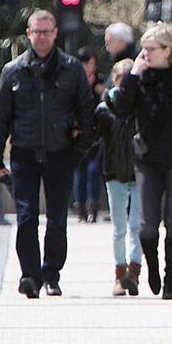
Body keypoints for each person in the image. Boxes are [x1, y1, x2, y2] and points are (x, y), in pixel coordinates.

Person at [0, 10, 95, 299]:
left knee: (58, 220)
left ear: (56, 33)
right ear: (29, 33)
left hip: (61, 153)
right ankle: (30, 276)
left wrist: (80, 149)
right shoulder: (13, 70)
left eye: (48, 31)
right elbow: (1, 117)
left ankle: (51, 274)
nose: (42, 37)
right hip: (24, 153)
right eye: (38, 31)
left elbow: (87, 112)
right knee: (26, 218)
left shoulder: (71, 69)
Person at [113, 24, 172, 300]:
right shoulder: (139, 77)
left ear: (167, 51)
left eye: (151, 49)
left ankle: (170, 281)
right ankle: (152, 268)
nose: (145, 54)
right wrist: (133, 74)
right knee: (147, 224)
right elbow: (121, 107)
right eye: (143, 49)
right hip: (146, 157)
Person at [95, 59, 142, 296]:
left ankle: (133, 274)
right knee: (119, 228)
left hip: (138, 172)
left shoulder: (141, 105)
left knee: (136, 225)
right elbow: (95, 137)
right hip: (114, 171)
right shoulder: (104, 109)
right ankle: (119, 273)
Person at [72, 47, 104, 223]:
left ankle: (93, 207)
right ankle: (80, 207)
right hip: (79, 133)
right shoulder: (74, 81)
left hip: (96, 133)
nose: (89, 67)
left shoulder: (99, 81)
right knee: (80, 170)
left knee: (93, 169)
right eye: (86, 63)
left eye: (91, 63)